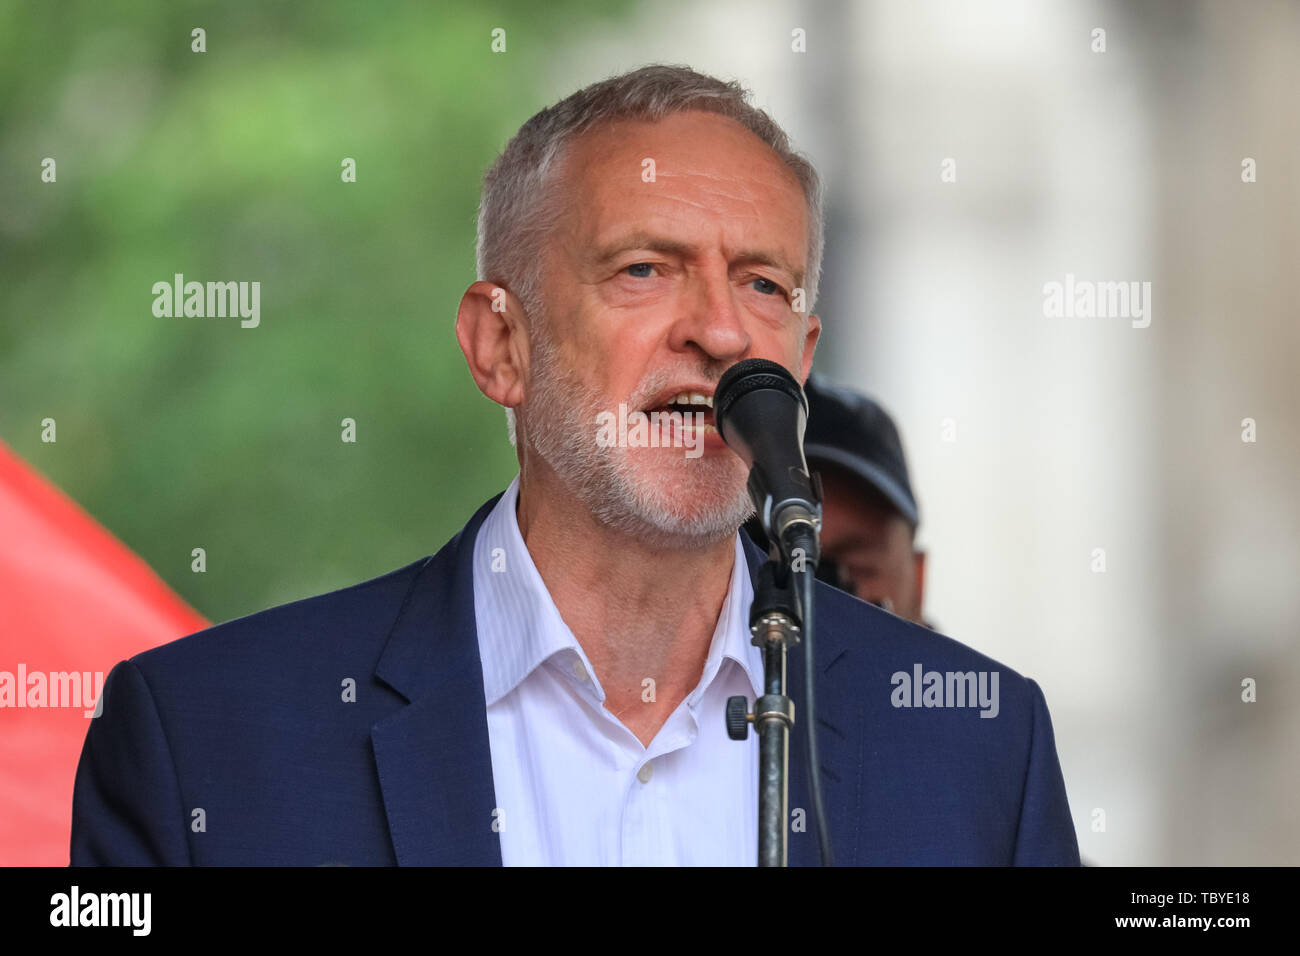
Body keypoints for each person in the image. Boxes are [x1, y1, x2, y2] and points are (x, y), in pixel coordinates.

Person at [71, 65, 1080, 866]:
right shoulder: (207, 741)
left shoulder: (980, 747)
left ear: (801, 360)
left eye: (762, 282)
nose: (723, 329)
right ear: (500, 345)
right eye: (643, 268)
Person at [745, 374, 930, 625]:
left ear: (918, 580)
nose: (812, 593)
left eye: (854, 567)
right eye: (769, 556)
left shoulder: (952, 666)